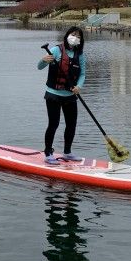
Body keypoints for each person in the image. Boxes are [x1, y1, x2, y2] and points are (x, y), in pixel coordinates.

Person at [37, 26, 87, 165]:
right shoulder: (55, 50)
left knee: (71, 125)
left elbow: (82, 74)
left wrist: (79, 86)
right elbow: (39, 67)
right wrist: (44, 60)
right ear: (67, 36)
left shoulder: (80, 55)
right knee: (54, 124)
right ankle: (48, 153)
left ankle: (67, 152)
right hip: (53, 95)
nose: (75, 37)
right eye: (73, 34)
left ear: (81, 40)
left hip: (70, 95)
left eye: (78, 36)